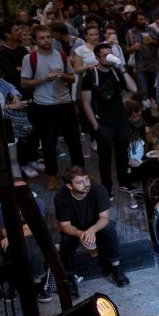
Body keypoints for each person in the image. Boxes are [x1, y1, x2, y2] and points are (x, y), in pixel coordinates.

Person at [21, 25, 84, 189]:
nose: (46, 41)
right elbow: (24, 83)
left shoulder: (60, 55)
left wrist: (63, 76)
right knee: (48, 142)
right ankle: (52, 175)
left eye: (48, 37)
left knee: (74, 140)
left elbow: (72, 77)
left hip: (65, 103)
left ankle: (80, 173)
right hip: (44, 105)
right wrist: (45, 79)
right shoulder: (30, 58)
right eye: (42, 38)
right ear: (35, 40)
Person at [55, 165, 130, 288]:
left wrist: (91, 230)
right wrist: (80, 233)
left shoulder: (97, 188)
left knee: (109, 228)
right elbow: (65, 225)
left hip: (96, 224)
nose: (86, 184)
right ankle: (70, 278)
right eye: (80, 182)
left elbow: (104, 217)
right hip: (75, 228)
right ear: (69, 186)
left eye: (86, 179)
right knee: (66, 240)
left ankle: (116, 268)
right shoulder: (61, 197)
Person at [81, 43, 138, 194]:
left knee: (122, 153)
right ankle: (107, 187)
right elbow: (86, 103)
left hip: (120, 119)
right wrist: (96, 126)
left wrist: (122, 68)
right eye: (105, 55)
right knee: (104, 157)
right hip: (103, 122)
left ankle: (123, 181)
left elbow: (134, 88)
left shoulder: (116, 72)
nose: (108, 57)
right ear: (97, 58)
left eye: (110, 53)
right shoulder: (90, 76)